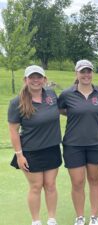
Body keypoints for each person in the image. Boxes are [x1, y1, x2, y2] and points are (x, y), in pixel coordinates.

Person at [8, 65, 62, 225]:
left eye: (39, 77)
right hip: (31, 151)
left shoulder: (52, 95)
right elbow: (13, 130)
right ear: (25, 80)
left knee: (51, 185)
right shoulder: (16, 102)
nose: (35, 80)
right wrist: (19, 155)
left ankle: (52, 219)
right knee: (36, 186)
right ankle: (36, 221)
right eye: (32, 77)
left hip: (52, 148)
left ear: (44, 79)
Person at [58, 60, 98, 225]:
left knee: (94, 180)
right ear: (76, 73)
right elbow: (60, 109)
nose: (86, 75)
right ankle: (80, 217)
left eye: (89, 71)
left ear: (92, 73)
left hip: (96, 143)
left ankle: (94, 216)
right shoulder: (66, 94)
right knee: (77, 182)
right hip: (73, 144)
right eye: (82, 72)